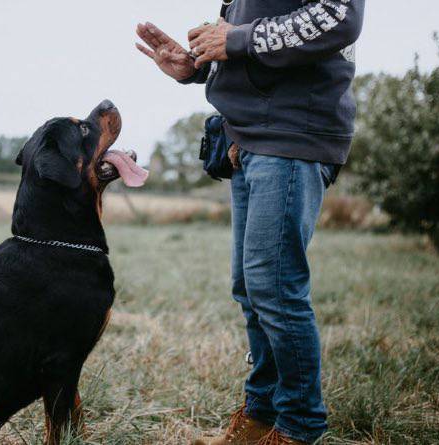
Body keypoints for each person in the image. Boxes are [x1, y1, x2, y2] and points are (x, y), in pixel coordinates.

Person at [136, 1, 365, 444]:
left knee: (275, 288)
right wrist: (198, 67)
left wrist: (235, 38)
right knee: (252, 288)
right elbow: (260, 52)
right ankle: (261, 416)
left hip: (292, 135)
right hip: (250, 135)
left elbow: (340, 17)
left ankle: (299, 426)